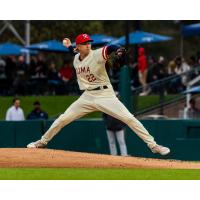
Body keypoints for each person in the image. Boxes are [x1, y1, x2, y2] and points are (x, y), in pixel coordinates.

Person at [27, 33, 170, 156]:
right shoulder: (76, 57)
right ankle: (42, 142)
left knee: (129, 118)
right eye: (84, 43)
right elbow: (74, 51)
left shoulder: (96, 54)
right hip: (87, 96)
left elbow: (111, 48)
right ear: (79, 46)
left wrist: (119, 50)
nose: (88, 45)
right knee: (63, 119)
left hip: (105, 94)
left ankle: (154, 146)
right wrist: (69, 45)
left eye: (89, 42)